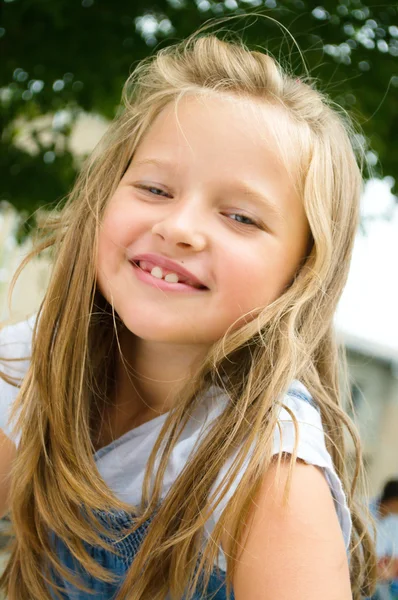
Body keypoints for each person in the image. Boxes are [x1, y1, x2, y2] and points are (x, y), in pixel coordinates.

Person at [0, 31, 376, 600]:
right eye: (154, 187)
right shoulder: (37, 357)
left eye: (242, 218)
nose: (178, 228)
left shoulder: (269, 473)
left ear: (303, 270)